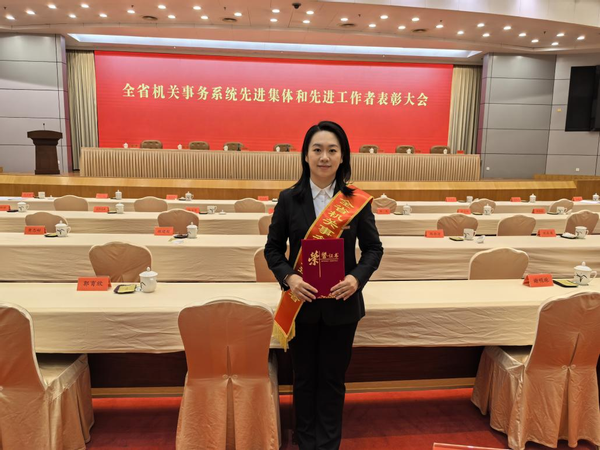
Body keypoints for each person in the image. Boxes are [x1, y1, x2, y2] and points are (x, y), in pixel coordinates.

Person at [265, 120, 383, 450]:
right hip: (301, 305)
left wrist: (356, 278)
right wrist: (290, 278)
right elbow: (272, 249)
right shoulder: (289, 199)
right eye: (317, 149)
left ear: (343, 156)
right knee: (303, 379)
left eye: (332, 150)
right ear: (305, 155)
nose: (324, 157)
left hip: (341, 306)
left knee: (332, 380)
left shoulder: (356, 201)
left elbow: (374, 249)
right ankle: (305, 441)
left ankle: (329, 443)